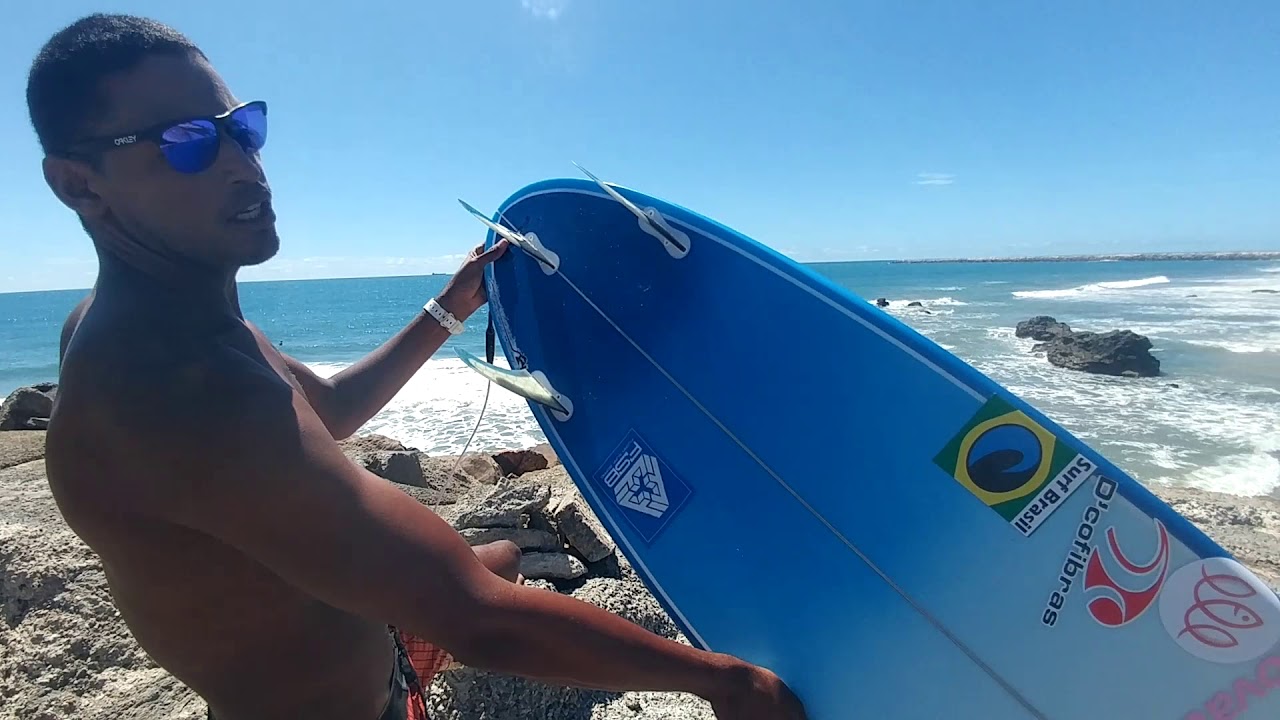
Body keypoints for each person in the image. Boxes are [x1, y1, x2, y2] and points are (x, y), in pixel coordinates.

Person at [26, 13, 807, 720]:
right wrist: (729, 684)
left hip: (383, 669)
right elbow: (477, 622)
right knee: (495, 577)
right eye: (188, 142)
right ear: (79, 183)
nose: (242, 163)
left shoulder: (170, 322)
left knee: (500, 556)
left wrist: (449, 310)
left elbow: (324, 411)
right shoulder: (173, 392)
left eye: (244, 128)